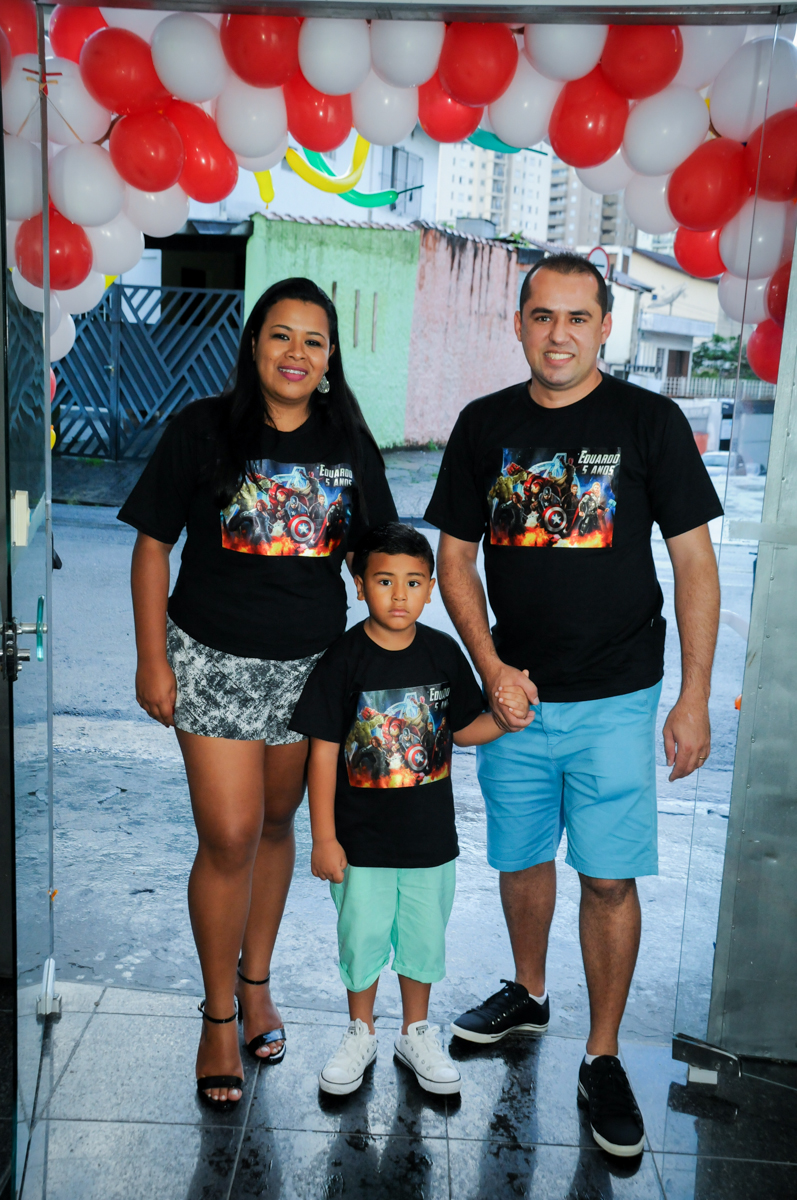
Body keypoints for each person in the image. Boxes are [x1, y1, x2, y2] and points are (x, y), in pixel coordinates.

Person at [424, 253, 723, 1157]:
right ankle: (527, 992)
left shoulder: (648, 421)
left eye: (577, 317)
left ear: (604, 326)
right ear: (518, 324)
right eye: (542, 316)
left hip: (617, 697)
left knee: (606, 877)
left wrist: (693, 697)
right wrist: (490, 668)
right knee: (520, 858)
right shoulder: (484, 425)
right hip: (514, 697)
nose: (559, 335)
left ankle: (601, 1055)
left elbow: (694, 564)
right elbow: (452, 559)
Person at [118, 278, 397, 1108]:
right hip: (209, 660)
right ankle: (216, 1015)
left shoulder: (349, 443)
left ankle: (257, 982)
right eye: (281, 335)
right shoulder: (203, 429)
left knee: (278, 824)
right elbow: (151, 545)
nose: (296, 354)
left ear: (330, 356)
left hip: (309, 668)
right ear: (253, 345)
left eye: (313, 340)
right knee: (230, 834)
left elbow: (375, 553)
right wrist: (152, 659)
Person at [289, 523, 531, 1097]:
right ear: (359, 585)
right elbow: (322, 753)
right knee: (362, 936)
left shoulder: (443, 653)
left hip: (429, 841)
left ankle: (415, 1032)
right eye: (384, 581)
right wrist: (323, 836)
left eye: (413, 582)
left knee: (423, 939)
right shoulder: (343, 659)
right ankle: (360, 1031)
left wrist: (505, 720)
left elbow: (463, 730)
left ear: (430, 589)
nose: (399, 595)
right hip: (360, 842)